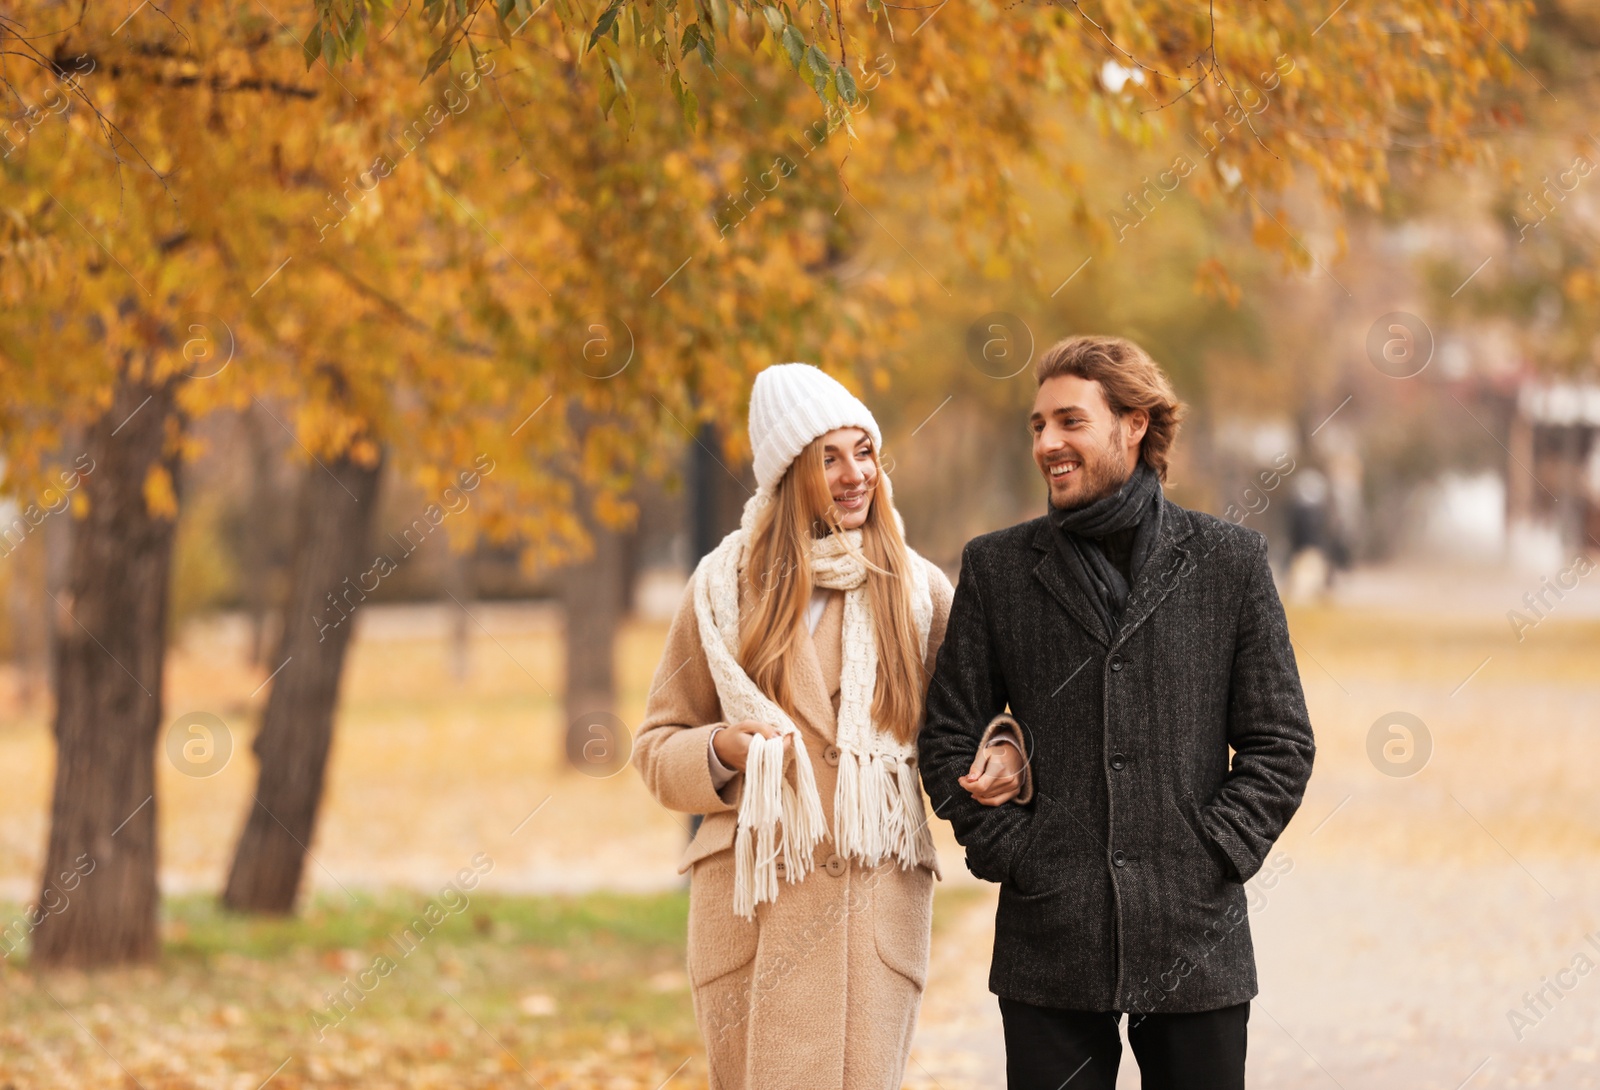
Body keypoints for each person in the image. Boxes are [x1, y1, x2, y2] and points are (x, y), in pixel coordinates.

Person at [918, 335, 1316, 1090]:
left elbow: (1281, 741)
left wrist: (1216, 851)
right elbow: (945, 737)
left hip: (1195, 936)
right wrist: (1015, 855)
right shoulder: (999, 568)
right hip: (1049, 937)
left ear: (1133, 424)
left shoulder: (1229, 561)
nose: (1048, 443)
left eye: (1070, 421)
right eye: (1038, 426)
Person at [634, 363, 1029, 1090]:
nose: (857, 475)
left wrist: (1002, 749)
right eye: (829, 457)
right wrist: (721, 749)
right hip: (752, 919)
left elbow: (980, 719)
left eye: (865, 451)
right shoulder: (722, 590)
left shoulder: (916, 592)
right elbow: (656, 748)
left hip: (870, 919)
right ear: (789, 474)